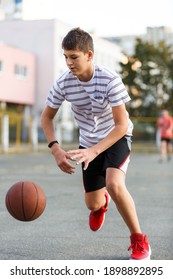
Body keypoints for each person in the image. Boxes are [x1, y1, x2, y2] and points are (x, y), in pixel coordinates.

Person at [41, 27, 151, 260]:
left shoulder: (109, 79)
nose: (69, 62)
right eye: (66, 57)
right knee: (92, 204)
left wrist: (94, 151)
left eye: (74, 57)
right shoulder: (64, 83)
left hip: (116, 137)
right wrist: (56, 149)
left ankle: (139, 240)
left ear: (89, 55)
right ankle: (101, 205)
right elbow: (46, 117)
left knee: (114, 183)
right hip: (88, 142)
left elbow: (121, 125)